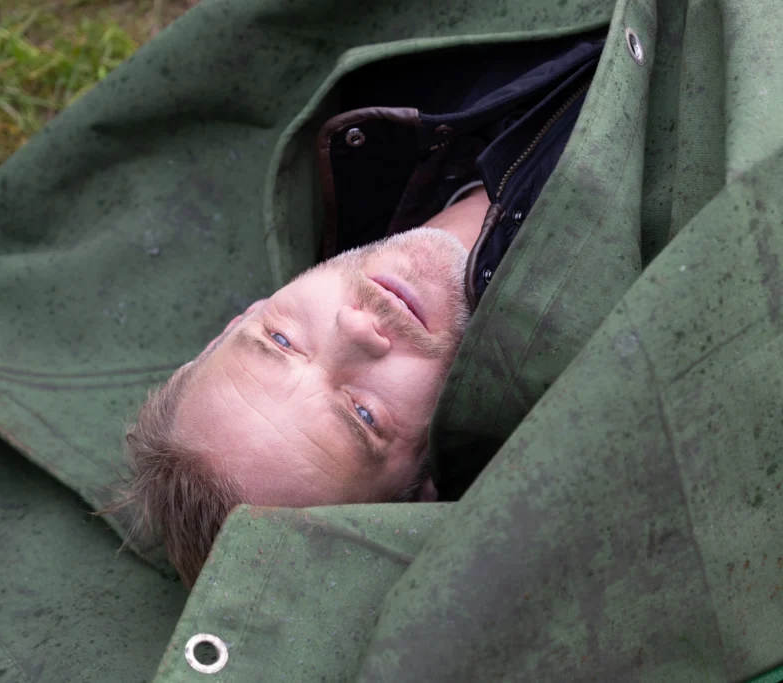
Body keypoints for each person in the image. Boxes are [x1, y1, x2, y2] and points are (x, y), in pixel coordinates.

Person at [110, 33, 608, 585]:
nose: (355, 327)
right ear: (424, 487)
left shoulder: (377, 98)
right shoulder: (613, 321)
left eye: (281, 341)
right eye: (364, 415)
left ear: (237, 321)